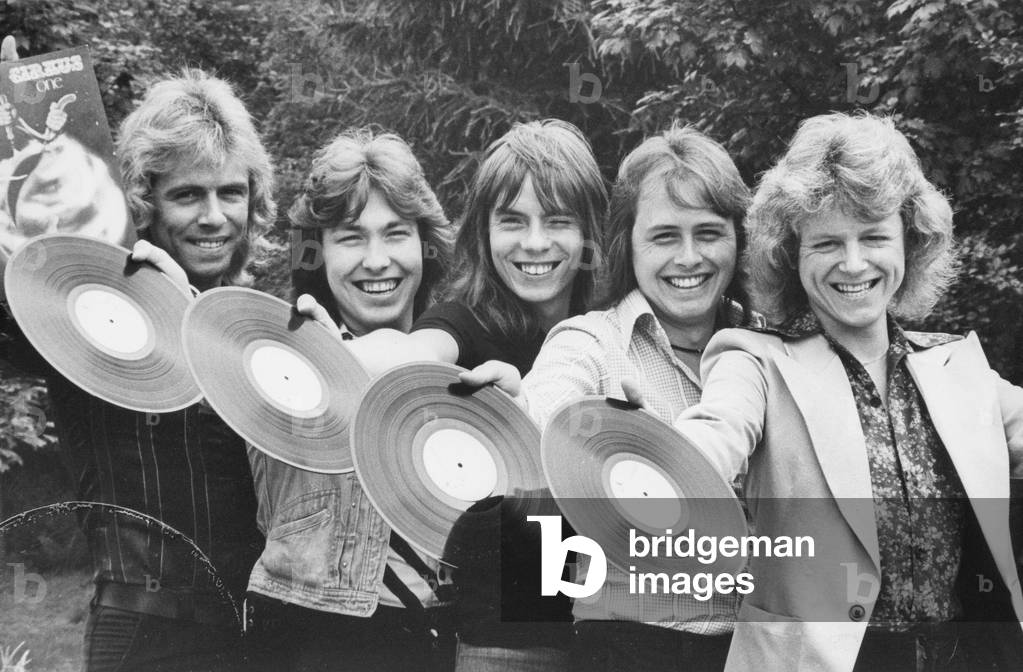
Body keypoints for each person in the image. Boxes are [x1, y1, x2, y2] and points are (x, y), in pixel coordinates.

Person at [665, 112, 1023, 671]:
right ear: (792, 254)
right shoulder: (755, 359)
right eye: (827, 242)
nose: (853, 264)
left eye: (874, 236)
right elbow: (717, 430)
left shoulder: (959, 366)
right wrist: (658, 458)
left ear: (910, 243)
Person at [0, 40, 274, 671]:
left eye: (231, 193)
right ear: (146, 202)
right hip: (149, 639)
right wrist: (11, 128)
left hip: (265, 638)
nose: (214, 217)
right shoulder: (89, 315)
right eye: (188, 195)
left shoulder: (263, 323)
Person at [466, 123, 761, 672]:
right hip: (631, 649)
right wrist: (519, 414)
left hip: (755, 652)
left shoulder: (768, 347)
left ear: (739, 240)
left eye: (709, 233)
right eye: (664, 236)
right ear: (628, 243)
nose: (689, 257)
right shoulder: (593, 341)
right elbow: (548, 408)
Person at [244, 127, 456, 672]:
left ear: (425, 244)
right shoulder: (282, 356)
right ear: (318, 253)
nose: (377, 260)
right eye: (351, 237)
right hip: (315, 639)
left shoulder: (462, 368)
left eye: (396, 233)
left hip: (444, 641)